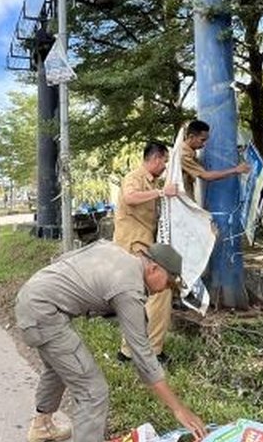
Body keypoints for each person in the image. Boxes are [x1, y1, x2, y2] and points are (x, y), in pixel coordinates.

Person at [15, 240, 206, 442]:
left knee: (60, 366)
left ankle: (42, 427)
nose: (166, 289)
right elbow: (142, 356)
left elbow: (64, 260)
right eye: (168, 283)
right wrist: (179, 409)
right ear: (154, 268)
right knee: (94, 392)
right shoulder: (129, 288)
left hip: (32, 296)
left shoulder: (115, 251)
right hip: (44, 312)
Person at [114, 141, 175, 363]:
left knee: (138, 299)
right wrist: (160, 193)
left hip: (143, 247)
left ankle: (128, 352)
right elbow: (130, 197)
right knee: (161, 291)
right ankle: (152, 352)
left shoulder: (152, 182)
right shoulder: (134, 178)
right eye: (164, 162)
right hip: (132, 248)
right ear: (156, 158)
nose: (165, 167)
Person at [178, 120, 250, 206]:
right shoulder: (183, 154)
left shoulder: (189, 151)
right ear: (191, 137)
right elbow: (206, 176)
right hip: (181, 200)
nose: (204, 144)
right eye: (202, 140)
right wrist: (236, 170)